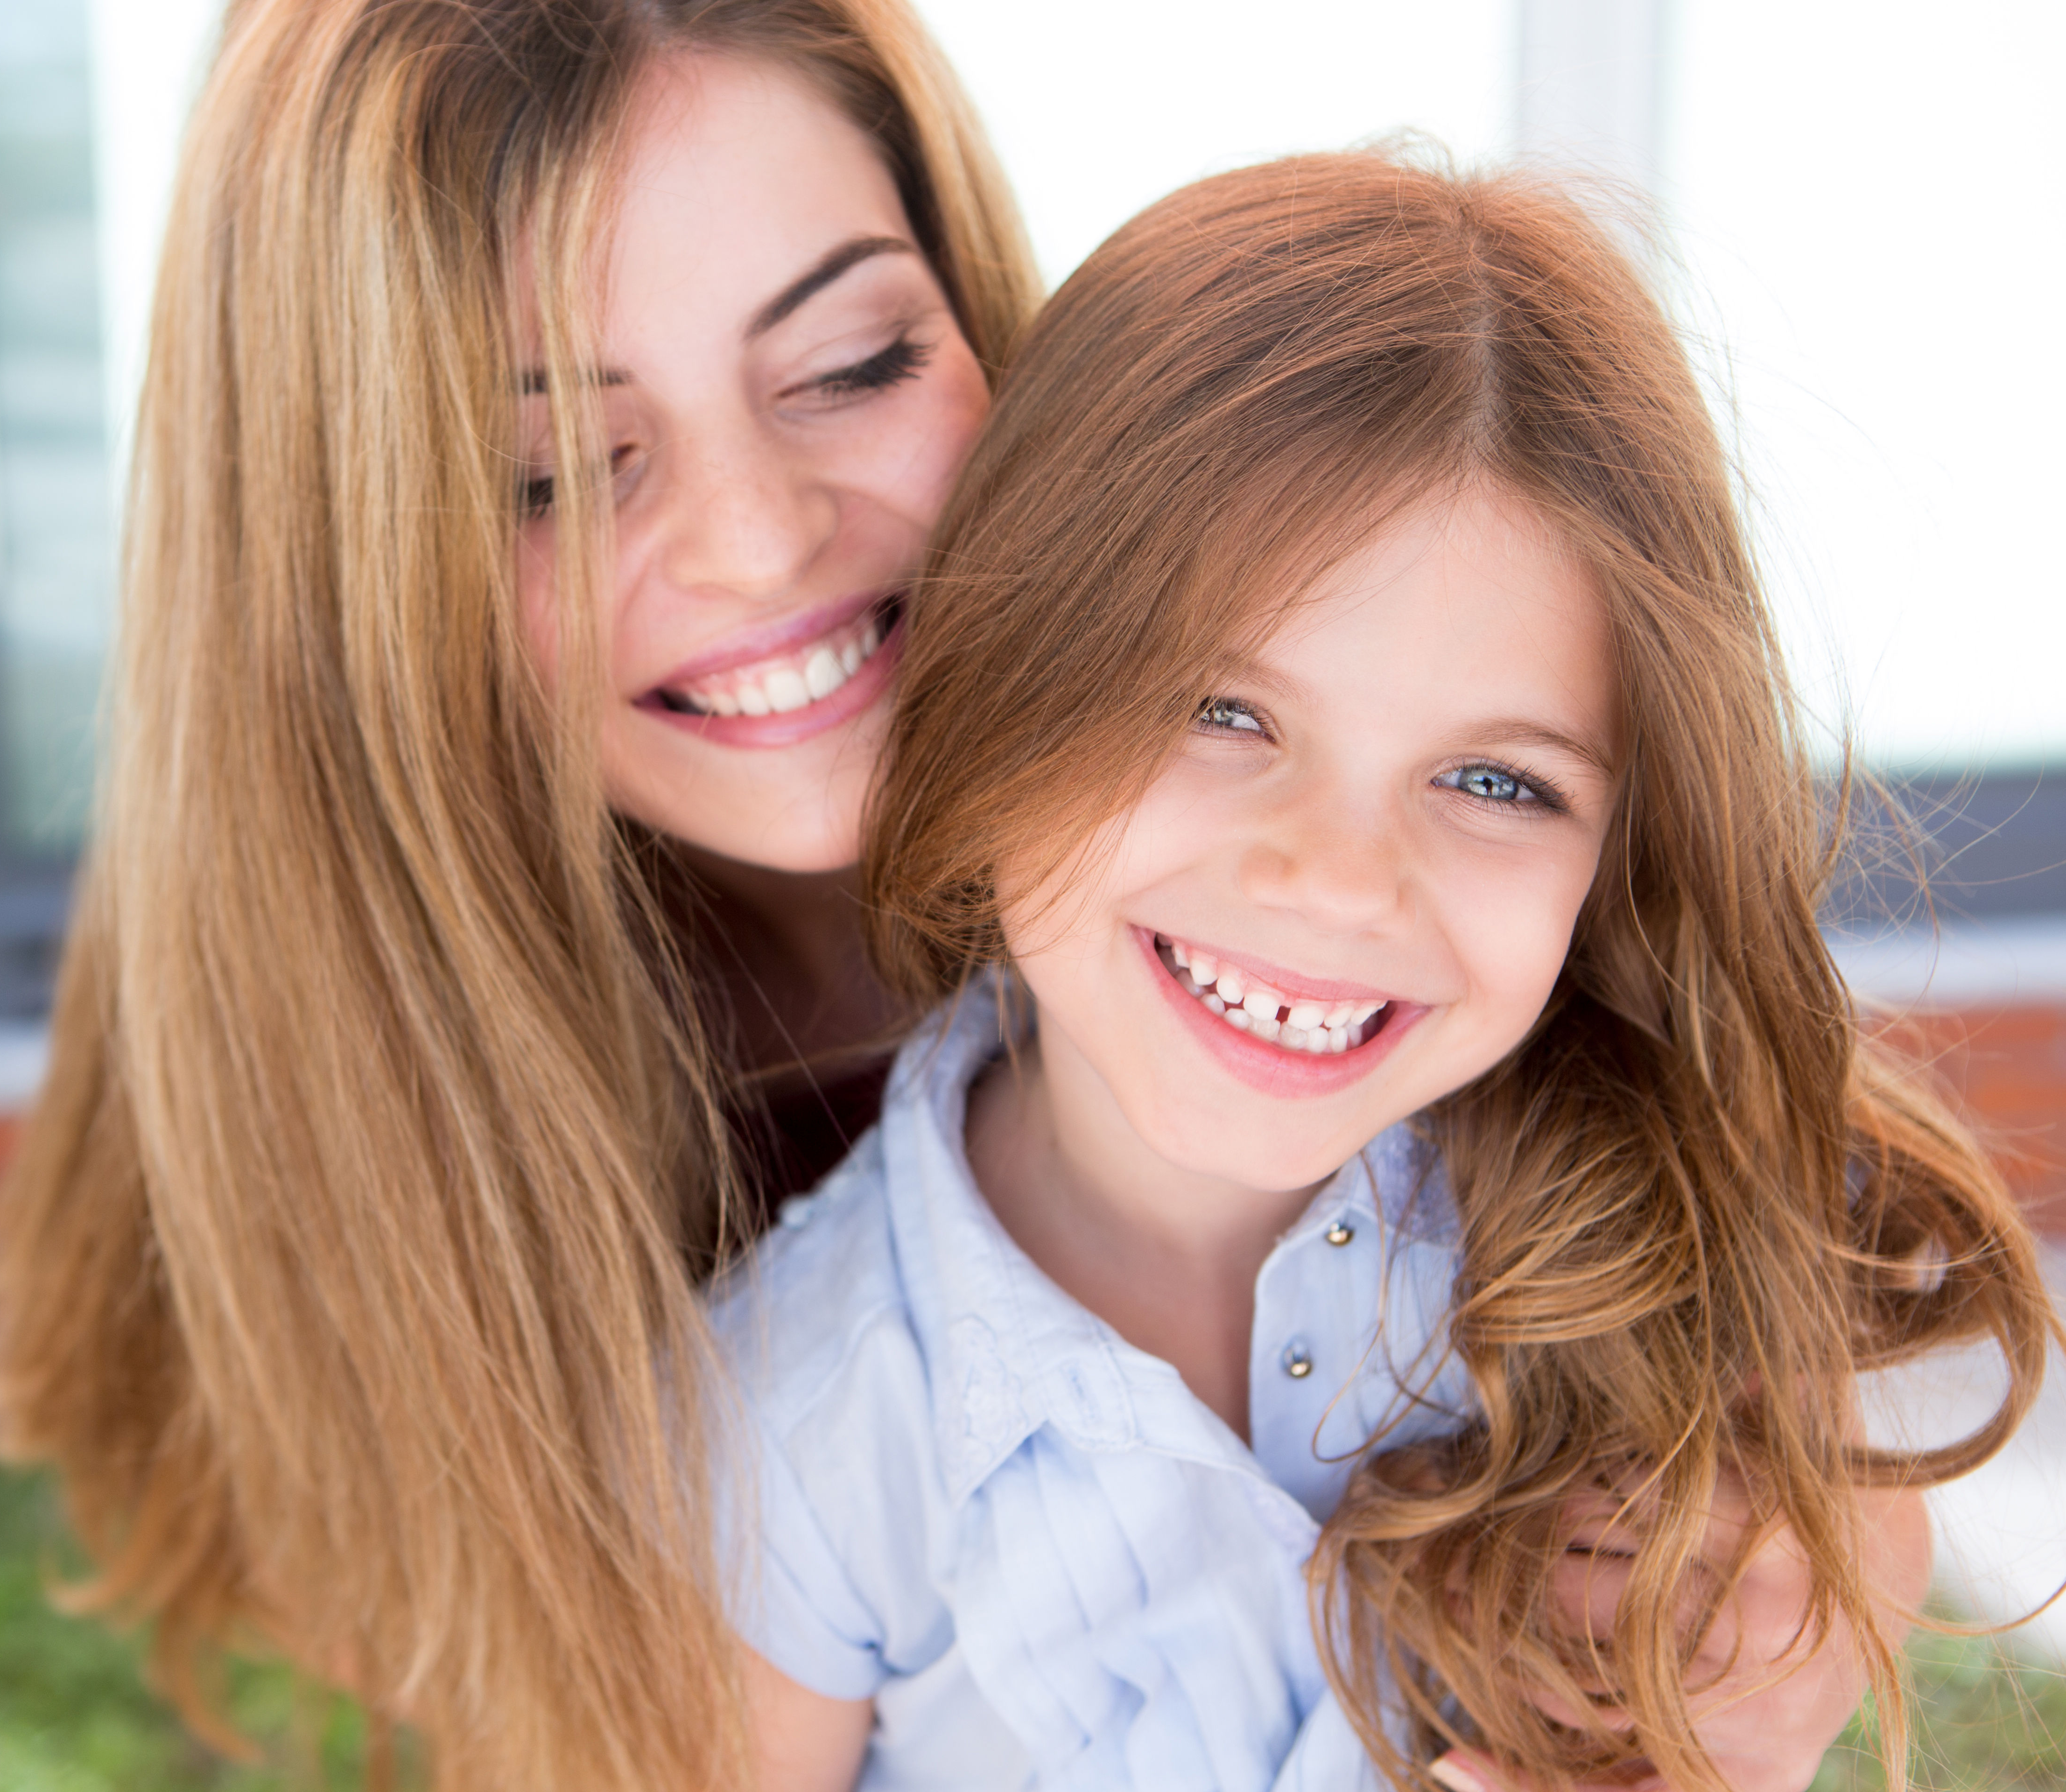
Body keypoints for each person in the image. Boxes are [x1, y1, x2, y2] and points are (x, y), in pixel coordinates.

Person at [721, 151, 2060, 1791]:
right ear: (1002, 679)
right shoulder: (795, 1429)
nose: (1341, 880)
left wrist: (1778, 1647)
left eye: (1498, 782)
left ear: (1619, 850)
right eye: (1220, 712)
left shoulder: (1647, 1200)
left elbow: (1835, 1541)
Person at [0, 2, 1034, 1787]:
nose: (761, 536)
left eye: (856, 363)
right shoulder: (375, 1157)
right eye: (546, 475)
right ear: (340, 568)